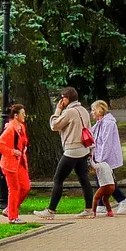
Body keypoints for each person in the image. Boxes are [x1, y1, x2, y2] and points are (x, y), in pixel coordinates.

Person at [47, 86, 96, 216]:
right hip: (84, 149)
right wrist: (91, 150)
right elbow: (89, 130)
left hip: (72, 149)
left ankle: (51, 210)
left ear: (67, 99)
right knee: (83, 178)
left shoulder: (69, 112)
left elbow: (54, 125)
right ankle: (89, 209)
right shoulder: (83, 110)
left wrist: (57, 110)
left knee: (58, 179)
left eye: (62, 98)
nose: (61, 100)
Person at [0, 103, 31, 222]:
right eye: (22, 113)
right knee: (14, 189)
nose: (24, 115)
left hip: (19, 162)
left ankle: (9, 209)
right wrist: (12, 151)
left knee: (25, 187)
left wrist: (23, 148)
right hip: (10, 164)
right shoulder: (11, 128)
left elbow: (24, 141)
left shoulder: (21, 127)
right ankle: (13, 216)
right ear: (16, 115)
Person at [88, 96, 123, 217]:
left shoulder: (107, 123)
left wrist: (100, 159)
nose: (91, 112)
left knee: (107, 182)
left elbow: (106, 142)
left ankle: (122, 201)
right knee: (103, 181)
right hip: (100, 157)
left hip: (106, 157)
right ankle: (103, 205)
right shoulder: (99, 123)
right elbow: (92, 135)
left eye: (93, 110)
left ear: (100, 110)